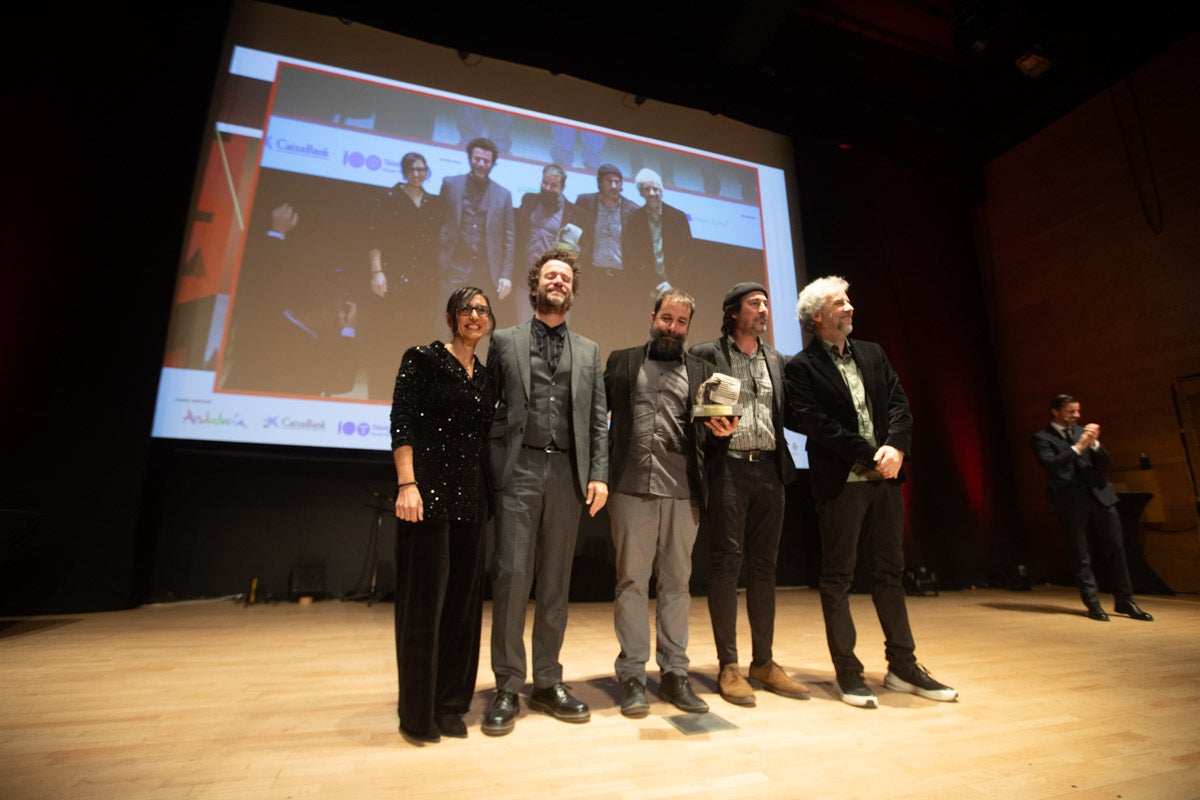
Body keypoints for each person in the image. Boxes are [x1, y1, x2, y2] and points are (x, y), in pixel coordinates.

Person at [784, 275, 956, 709]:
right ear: (819, 317)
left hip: (884, 482)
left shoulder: (873, 354)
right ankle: (848, 672)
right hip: (843, 484)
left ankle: (903, 666)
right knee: (838, 578)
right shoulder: (800, 368)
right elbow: (815, 423)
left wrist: (895, 447)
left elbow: (899, 404)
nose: (851, 308)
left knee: (889, 575)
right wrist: (870, 452)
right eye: (841, 303)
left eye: (849, 301)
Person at [483, 248, 609, 736]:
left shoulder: (590, 350)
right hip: (520, 471)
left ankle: (548, 681)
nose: (558, 282)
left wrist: (598, 473)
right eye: (551, 276)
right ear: (535, 285)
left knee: (555, 583)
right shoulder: (503, 341)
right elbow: (488, 409)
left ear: (573, 291)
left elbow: (598, 421)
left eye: (566, 278)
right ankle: (507, 685)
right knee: (512, 578)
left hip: (568, 477)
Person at [605, 289, 737, 717]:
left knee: (678, 586)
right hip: (629, 488)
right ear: (653, 316)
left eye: (681, 322)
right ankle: (631, 676)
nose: (673, 328)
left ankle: (675, 675)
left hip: (684, 492)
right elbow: (595, 421)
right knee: (631, 583)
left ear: (688, 328)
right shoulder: (622, 362)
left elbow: (715, 437)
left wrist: (723, 433)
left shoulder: (704, 371)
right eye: (667, 318)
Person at [690, 282, 809, 707]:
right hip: (729, 468)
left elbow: (790, 412)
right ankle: (729, 665)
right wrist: (707, 425)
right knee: (725, 565)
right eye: (754, 304)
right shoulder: (706, 353)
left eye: (764, 304)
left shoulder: (776, 358)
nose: (763, 310)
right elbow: (694, 409)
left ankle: (764, 662)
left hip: (770, 470)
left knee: (765, 567)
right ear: (734, 312)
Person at [389, 286, 496, 745]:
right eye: (467, 309)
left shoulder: (487, 377)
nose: (475, 315)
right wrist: (406, 484)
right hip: (426, 497)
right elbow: (402, 420)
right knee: (424, 608)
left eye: (482, 310)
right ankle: (418, 712)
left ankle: (452, 704)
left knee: (463, 609)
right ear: (452, 317)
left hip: (472, 500)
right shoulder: (423, 358)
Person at [1031, 395, 1154, 622]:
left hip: (1100, 497)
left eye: (1077, 411)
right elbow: (1052, 465)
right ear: (1055, 412)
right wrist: (1079, 446)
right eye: (1070, 412)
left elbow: (1105, 461)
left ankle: (1125, 601)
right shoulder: (1042, 438)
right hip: (1070, 501)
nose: (1077, 416)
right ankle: (1093, 604)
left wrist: (1095, 442)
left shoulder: (1082, 432)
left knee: (1116, 549)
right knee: (1081, 554)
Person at [365, 152, 442, 399]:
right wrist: (377, 272)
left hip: (424, 280)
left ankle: (411, 395)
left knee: (417, 335)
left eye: (421, 169)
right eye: (412, 170)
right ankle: (379, 392)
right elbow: (375, 238)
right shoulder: (389, 198)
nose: (416, 174)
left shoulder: (433, 202)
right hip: (393, 277)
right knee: (388, 333)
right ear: (404, 171)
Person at [436, 137, 515, 318]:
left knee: (477, 323)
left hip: (486, 272)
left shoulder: (503, 194)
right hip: (452, 266)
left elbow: (509, 238)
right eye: (477, 159)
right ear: (469, 158)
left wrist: (506, 274)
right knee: (446, 319)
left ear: (493, 163)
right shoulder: (450, 184)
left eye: (486, 161)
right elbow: (438, 222)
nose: (481, 164)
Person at [513, 165, 575, 325]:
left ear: (562, 187)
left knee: (555, 328)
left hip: (556, 282)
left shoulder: (573, 212)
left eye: (553, 186)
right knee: (525, 327)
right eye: (544, 183)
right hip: (525, 278)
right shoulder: (529, 200)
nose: (547, 188)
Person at [622, 168, 693, 304]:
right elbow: (632, 254)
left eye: (655, 189)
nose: (652, 193)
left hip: (676, 286)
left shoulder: (678, 217)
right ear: (641, 192)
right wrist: (656, 283)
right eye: (647, 190)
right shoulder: (634, 219)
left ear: (661, 191)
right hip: (645, 287)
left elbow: (686, 253)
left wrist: (670, 283)